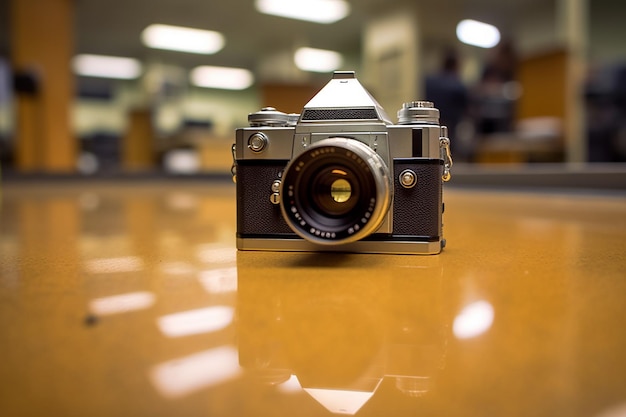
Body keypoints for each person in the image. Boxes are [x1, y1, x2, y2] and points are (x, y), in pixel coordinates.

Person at [425, 50, 470, 161]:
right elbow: (466, 106)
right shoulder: (457, 84)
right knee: (449, 152)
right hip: (451, 125)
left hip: (433, 123)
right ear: (455, 64)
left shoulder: (430, 81)